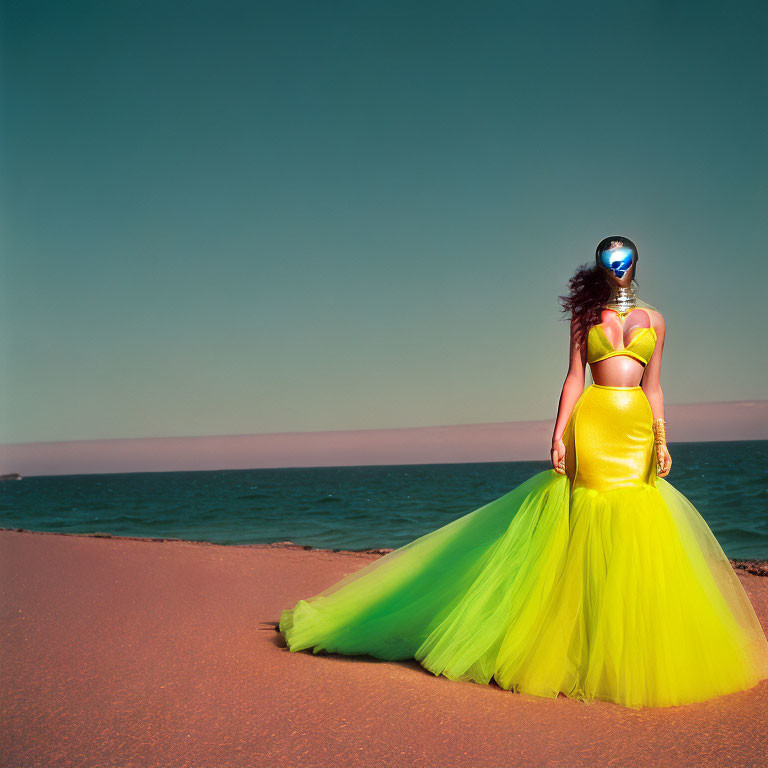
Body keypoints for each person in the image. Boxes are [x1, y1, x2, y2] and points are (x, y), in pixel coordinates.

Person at [278, 237, 768, 708]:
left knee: (634, 530)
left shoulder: (656, 321)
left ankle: (620, 650)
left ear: (636, 263)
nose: (619, 266)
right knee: (585, 527)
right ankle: (568, 650)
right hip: (593, 425)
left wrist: (662, 439)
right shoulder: (584, 317)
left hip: (636, 427)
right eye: (610, 259)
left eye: (625, 258)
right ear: (601, 264)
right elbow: (575, 377)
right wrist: (559, 434)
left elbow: (655, 386)